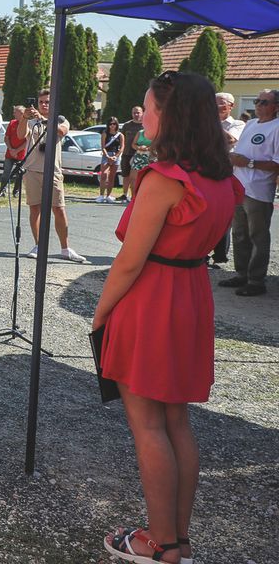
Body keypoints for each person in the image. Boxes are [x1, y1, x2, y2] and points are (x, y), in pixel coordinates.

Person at [92, 71, 241, 564]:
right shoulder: (224, 181)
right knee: (177, 421)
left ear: (169, 115)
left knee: (148, 426)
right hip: (192, 296)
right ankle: (178, 538)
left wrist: (100, 313)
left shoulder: (163, 179)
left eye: (148, 107)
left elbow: (129, 261)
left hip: (152, 298)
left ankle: (159, 545)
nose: (142, 115)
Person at [219, 89, 279, 296]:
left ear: (276, 107)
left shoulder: (277, 128)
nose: (258, 105)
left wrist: (249, 163)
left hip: (259, 190)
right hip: (238, 185)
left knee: (257, 235)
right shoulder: (251, 124)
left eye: (264, 102)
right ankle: (242, 274)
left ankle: (256, 280)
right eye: (257, 101)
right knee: (239, 233)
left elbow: (276, 163)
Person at [22, 89, 87, 263]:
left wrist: (44, 119)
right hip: (32, 170)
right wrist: (24, 118)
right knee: (35, 208)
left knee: (58, 209)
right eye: (41, 101)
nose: (43, 105)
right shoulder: (31, 120)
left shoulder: (60, 119)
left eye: (47, 102)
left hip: (53, 171)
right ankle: (38, 245)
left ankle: (65, 248)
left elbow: (62, 131)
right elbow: (22, 135)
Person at [210, 92, 246, 267]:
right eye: (214, 103)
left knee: (224, 216)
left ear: (231, 106)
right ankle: (201, 253)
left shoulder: (238, 124)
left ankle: (220, 256)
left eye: (221, 103)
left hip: (227, 175)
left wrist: (213, 123)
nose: (217, 106)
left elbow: (231, 140)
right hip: (206, 172)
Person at [117, 106, 144, 201]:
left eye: (138, 112)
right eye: (134, 113)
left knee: (137, 177)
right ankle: (124, 194)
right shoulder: (127, 125)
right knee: (126, 174)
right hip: (127, 153)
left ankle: (136, 195)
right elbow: (121, 138)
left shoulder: (145, 125)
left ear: (142, 113)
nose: (136, 115)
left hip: (140, 155)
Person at [97, 117, 125, 203]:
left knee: (112, 177)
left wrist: (115, 156)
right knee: (104, 175)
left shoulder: (120, 135)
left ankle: (108, 195)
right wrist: (108, 157)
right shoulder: (105, 133)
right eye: (110, 124)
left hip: (116, 156)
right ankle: (101, 195)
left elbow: (122, 147)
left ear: (117, 125)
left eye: (114, 124)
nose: (112, 126)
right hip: (107, 155)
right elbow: (103, 146)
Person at [1, 105, 28, 194]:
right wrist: (11, 149)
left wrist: (17, 151)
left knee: (20, 174)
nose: (13, 114)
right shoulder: (12, 122)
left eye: (15, 112)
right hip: (10, 153)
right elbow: (6, 137)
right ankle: (2, 191)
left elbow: (27, 141)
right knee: (6, 172)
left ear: (21, 113)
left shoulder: (27, 124)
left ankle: (16, 191)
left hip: (21, 154)